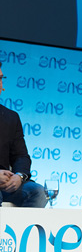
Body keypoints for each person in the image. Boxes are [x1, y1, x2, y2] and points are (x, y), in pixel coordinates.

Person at [0, 62, 47, 208]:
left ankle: (28, 231)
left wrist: (19, 176)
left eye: (1, 78)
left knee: (37, 192)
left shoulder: (11, 117)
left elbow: (21, 156)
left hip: (5, 183)